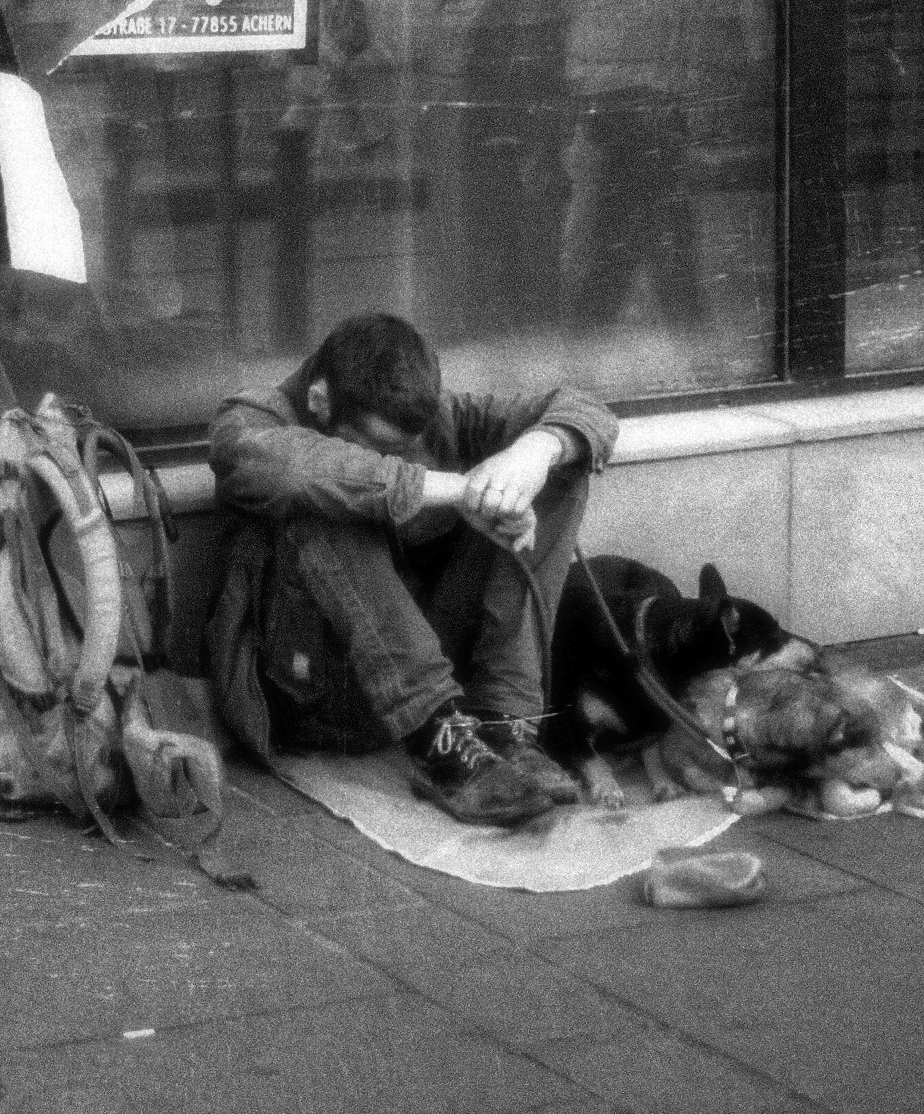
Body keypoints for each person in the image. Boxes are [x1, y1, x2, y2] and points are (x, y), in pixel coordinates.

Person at [204, 313, 618, 826]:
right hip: (317, 691)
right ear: (319, 400)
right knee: (324, 498)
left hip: (431, 666)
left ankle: (503, 727)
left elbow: (586, 411)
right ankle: (442, 747)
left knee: (556, 466)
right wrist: (465, 491)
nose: (405, 458)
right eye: (382, 447)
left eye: (408, 450)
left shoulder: (433, 418)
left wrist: (532, 456)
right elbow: (295, 469)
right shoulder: (250, 421)